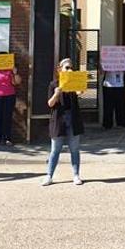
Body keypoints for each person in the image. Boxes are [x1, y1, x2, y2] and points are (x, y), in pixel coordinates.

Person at [42, 58, 85, 186]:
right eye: (67, 67)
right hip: (59, 119)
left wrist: (80, 89)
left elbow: (80, 91)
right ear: (59, 69)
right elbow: (50, 104)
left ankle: (76, 175)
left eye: (71, 67)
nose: (69, 70)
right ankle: (49, 175)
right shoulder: (54, 84)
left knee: (74, 148)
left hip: (72, 118)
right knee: (55, 149)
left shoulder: (73, 83)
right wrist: (56, 94)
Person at [0, 52, 21, 145]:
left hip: (9, 95)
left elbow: (16, 82)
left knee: (7, 117)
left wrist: (15, 73)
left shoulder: (10, 70)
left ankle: (7, 138)